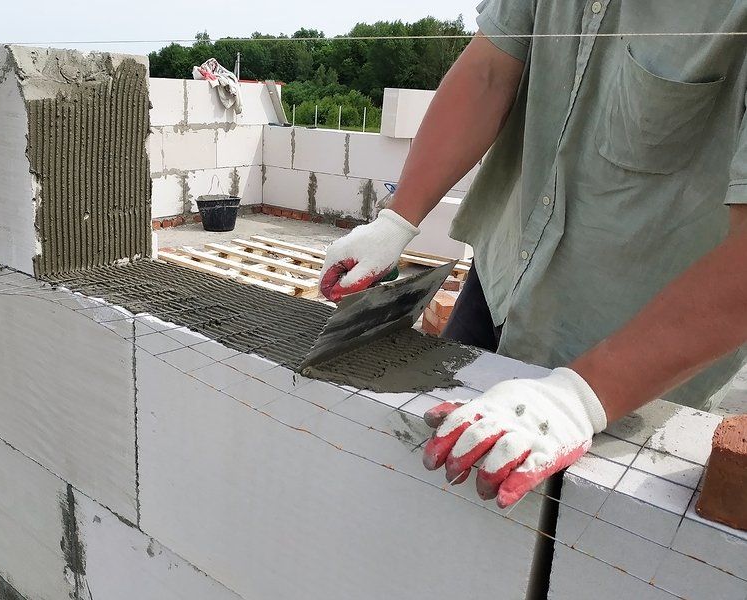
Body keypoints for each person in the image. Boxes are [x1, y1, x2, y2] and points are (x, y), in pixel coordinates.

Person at [320, 1, 747, 508]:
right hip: (501, 283)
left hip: (632, 344)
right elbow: (488, 72)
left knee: (556, 546)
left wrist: (582, 398)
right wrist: (397, 219)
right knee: (429, 494)